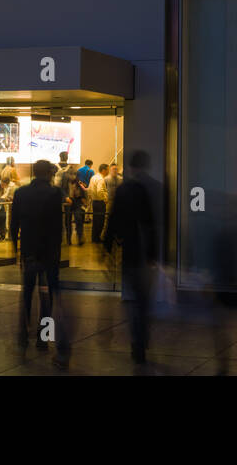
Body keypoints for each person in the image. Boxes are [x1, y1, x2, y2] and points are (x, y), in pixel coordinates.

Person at [11, 159, 71, 367]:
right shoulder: (55, 194)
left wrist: (15, 248)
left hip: (29, 252)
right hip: (49, 255)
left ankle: (22, 335)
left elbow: (14, 223)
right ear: (48, 173)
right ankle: (43, 337)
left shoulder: (20, 193)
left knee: (27, 293)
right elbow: (57, 225)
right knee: (47, 297)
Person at [102, 150, 159, 366]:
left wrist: (107, 246)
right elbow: (151, 223)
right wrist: (154, 254)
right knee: (144, 300)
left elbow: (114, 218)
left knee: (133, 300)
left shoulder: (125, 189)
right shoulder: (151, 187)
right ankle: (142, 339)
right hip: (145, 253)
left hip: (129, 252)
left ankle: (136, 341)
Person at [55, 151, 86, 245]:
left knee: (77, 218)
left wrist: (83, 196)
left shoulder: (71, 169)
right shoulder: (60, 170)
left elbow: (78, 183)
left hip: (75, 198)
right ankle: (68, 240)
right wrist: (65, 197)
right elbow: (59, 187)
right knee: (68, 220)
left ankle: (79, 237)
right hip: (67, 199)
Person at [88, 163, 109, 243]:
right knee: (100, 221)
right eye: (107, 170)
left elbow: (89, 189)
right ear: (103, 170)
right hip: (100, 203)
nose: (108, 171)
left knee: (95, 221)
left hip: (94, 202)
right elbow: (100, 191)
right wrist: (104, 199)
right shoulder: (101, 179)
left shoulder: (93, 177)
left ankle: (94, 238)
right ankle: (97, 239)